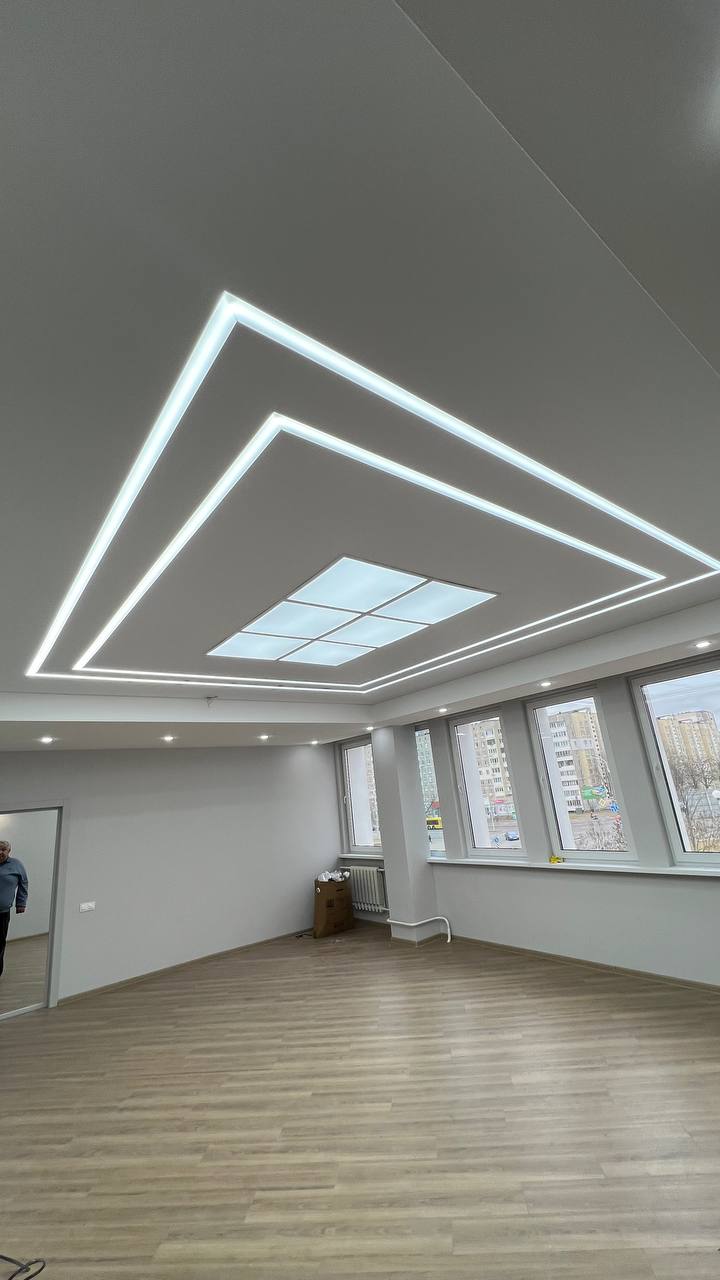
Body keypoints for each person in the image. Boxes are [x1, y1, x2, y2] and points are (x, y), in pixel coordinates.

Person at [0, 840, 28, 978]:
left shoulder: (16, 865)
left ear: (9, 851)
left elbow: (24, 883)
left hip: (2, 913)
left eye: (3, 849)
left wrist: (21, 903)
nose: (0, 852)